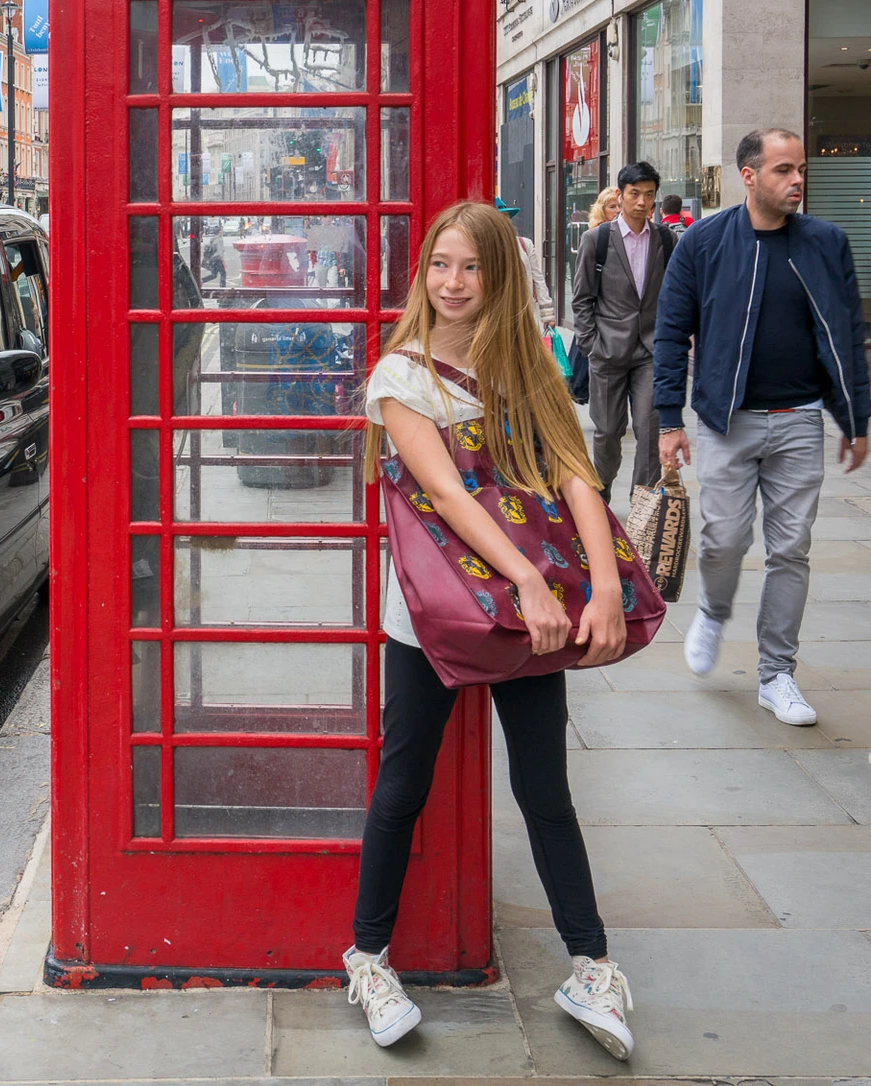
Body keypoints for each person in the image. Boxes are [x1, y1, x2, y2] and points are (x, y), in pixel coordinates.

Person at [349, 201, 633, 1060]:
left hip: (528, 615)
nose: (453, 283)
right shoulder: (401, 378)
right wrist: (528, 584)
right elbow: (445, 491)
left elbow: (576, 475)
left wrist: (608, 586)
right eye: (441, 265)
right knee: (404, 785)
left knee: (545, 790)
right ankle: (367, 957)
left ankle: (592, 964)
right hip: (434, 617)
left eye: (471, 267)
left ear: (499, 276)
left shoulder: (529, 369)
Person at [657, 128, 871, 725]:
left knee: (791, 551)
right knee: (724, 540)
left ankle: (778, 674)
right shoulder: (703, 242)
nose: (796, 179)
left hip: (801, 421)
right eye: (782, 170)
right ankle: (714, 611)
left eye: (799, 169)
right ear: (749, 176)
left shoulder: (826, 242)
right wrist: (669, 419)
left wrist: (857, 417)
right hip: (727, 423)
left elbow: (848, 335)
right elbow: (671, 332)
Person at [572, 163, 675, 503]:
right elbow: (582, 298)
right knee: (608, 433)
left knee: (648, 432)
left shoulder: (665, 238)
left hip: (650, 352)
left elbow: (674, 293)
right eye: (634, 194)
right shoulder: (596, 240)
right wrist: (592, 345)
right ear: (620, 195)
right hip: (608, 352)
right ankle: (599, 496)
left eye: (649, 195)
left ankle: (642, 502)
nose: (642, 202)